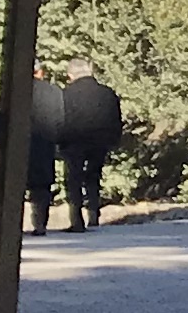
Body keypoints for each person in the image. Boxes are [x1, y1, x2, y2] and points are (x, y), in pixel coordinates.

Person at [56, 63, 123, 230]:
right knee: (94, 176)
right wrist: (113, 140)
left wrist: (58, 141)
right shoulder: (107, 93)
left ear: (70, 76)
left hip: (73, 142)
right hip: (100, 141)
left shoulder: (65, 94)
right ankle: (93, 214)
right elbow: (116, 119)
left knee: (73, 179)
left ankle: (76, 218)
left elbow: (59, 120)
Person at [18, 64, 68, 236]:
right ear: (40, 72)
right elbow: (61, 120)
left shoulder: (17, 91)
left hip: (20, 144)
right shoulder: (54, 92)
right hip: (45, 143)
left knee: (16, 186)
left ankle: (13, 224)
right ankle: (40, 224)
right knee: (42, 188)